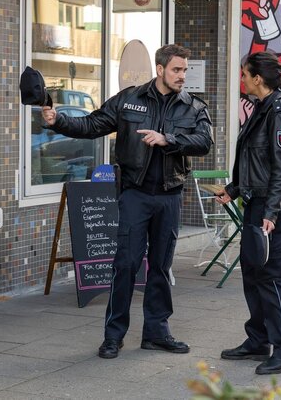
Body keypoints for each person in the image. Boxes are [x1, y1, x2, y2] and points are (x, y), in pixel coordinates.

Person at [41, 44, 212, 359]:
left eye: (185, 70)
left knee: (161, 266)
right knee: (126, 265)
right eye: (177, 69)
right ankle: (113, 337)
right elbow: (93, 125)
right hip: (135, 193)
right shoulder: (129, 100)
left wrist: (168, 139)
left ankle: (157, 334)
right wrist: (57, 121)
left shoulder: (193, 107)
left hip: (170, 196)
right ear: (160, 69)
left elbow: (204, 142)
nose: (182, 76)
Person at [215, 51, 281, 375]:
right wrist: (234, 189)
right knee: (253, 274)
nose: (241, 79)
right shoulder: (262, 109)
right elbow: (255, 162)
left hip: (270, 208)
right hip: (256, 204)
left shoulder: (278, 112)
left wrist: (273, 211)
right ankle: (258, 340)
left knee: (272, 278)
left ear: (257, 78)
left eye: (244, 74)